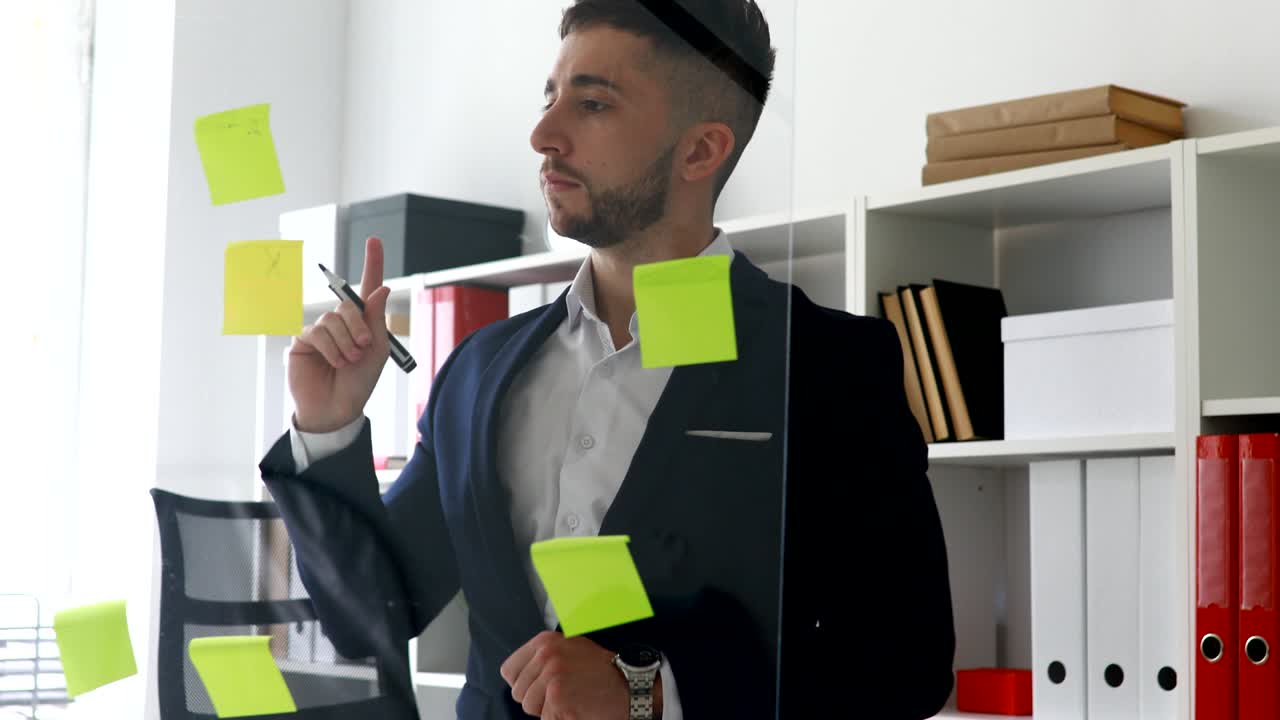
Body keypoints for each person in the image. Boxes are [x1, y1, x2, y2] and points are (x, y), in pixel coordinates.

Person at [259, 0, 956, 718]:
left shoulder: (827, 365)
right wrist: (329, 427)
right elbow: (373, 612)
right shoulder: (478, 368)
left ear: (700, 151)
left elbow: (909, 660)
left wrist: (647, 692)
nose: (542, 134)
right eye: (550, 97)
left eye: (592, 103)